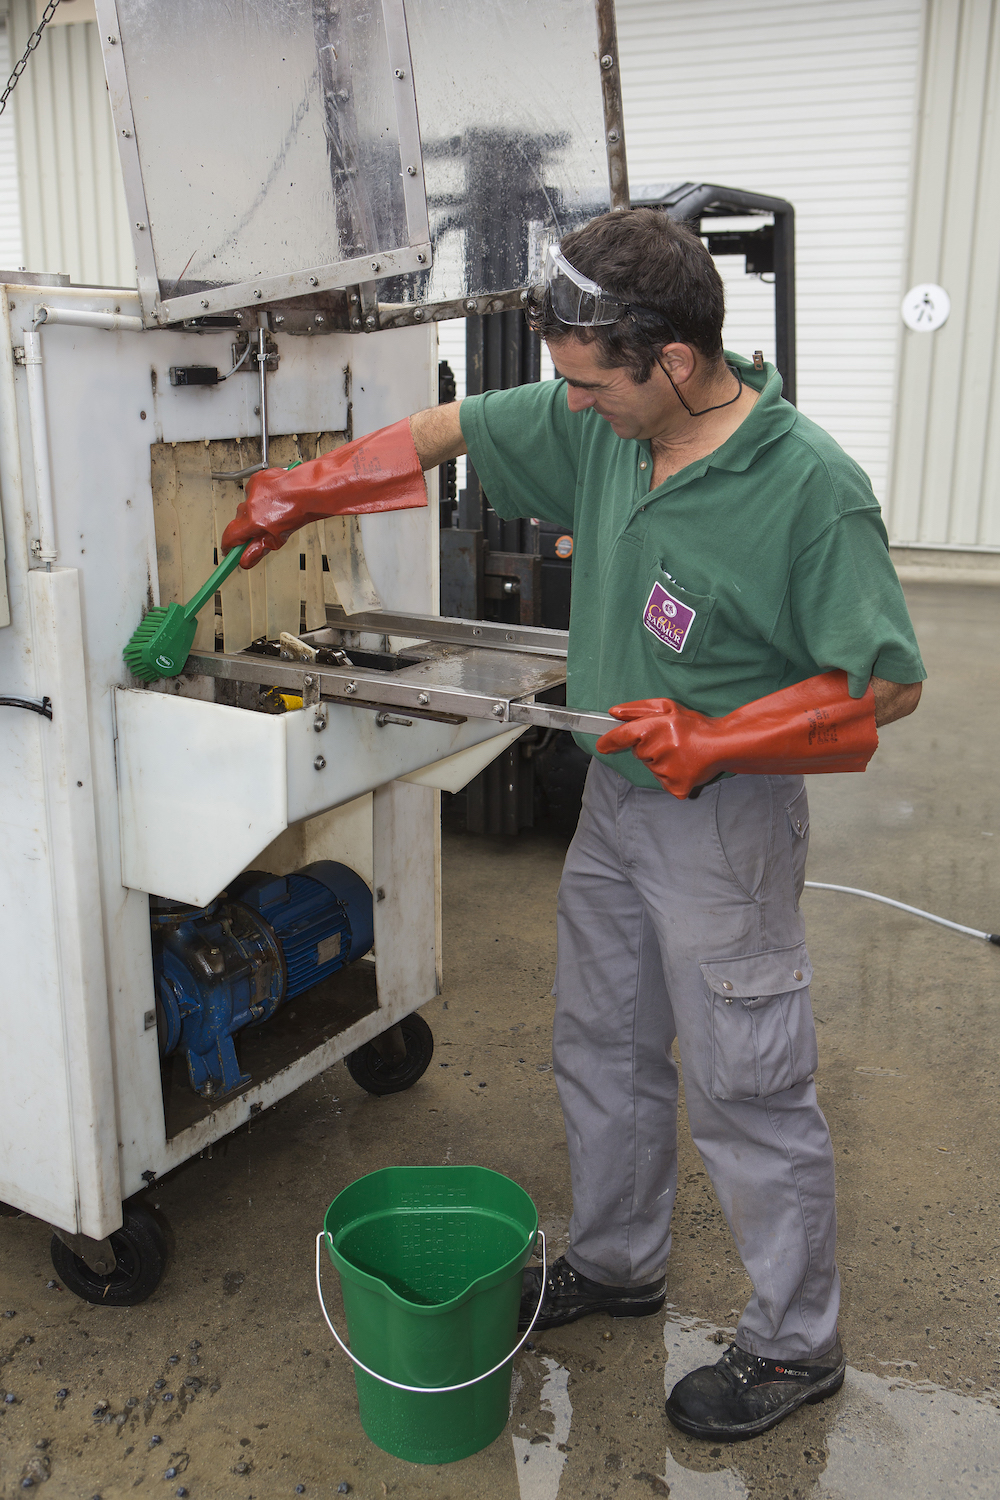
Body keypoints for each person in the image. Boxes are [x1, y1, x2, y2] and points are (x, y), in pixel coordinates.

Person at [221, 208, 925, 1442]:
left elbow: (879, 688)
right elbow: (446, 428)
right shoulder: (605, 426)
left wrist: (713, 738)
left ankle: (793, 1343)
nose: (571, 406)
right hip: (611, 798)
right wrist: (301, 496)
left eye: (589, 384)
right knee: (599, 1045)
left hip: (723, 822)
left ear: (670, 359)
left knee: (747, 1087)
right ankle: (615, 1262)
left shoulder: (807, 489)